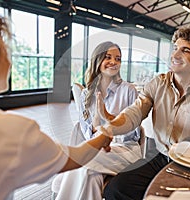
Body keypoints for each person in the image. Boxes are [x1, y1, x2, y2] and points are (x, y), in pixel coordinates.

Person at [0, 7, 112, 200]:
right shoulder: (9, 131)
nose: (11, 60)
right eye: (7, 50)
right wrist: (104, 135)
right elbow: (76, 157)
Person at [101, 26, 190, 199]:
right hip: (160, 157)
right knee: (115, 189)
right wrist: (110, 129)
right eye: (175, 48)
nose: (175, 55)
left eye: (185, 51)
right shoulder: (158, 83)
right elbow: (135, 112)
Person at [55, 41, 142, 200]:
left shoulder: (129, 90)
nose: (113, 62)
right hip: (98, 147)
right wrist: (97, 119)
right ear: (97, 60)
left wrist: (109, 121)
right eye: (108, 57)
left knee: (82, 159)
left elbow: (134, 134)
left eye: (118, 59)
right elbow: (88, 133)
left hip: (126, 149)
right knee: (91, 175)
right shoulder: (87, 93)